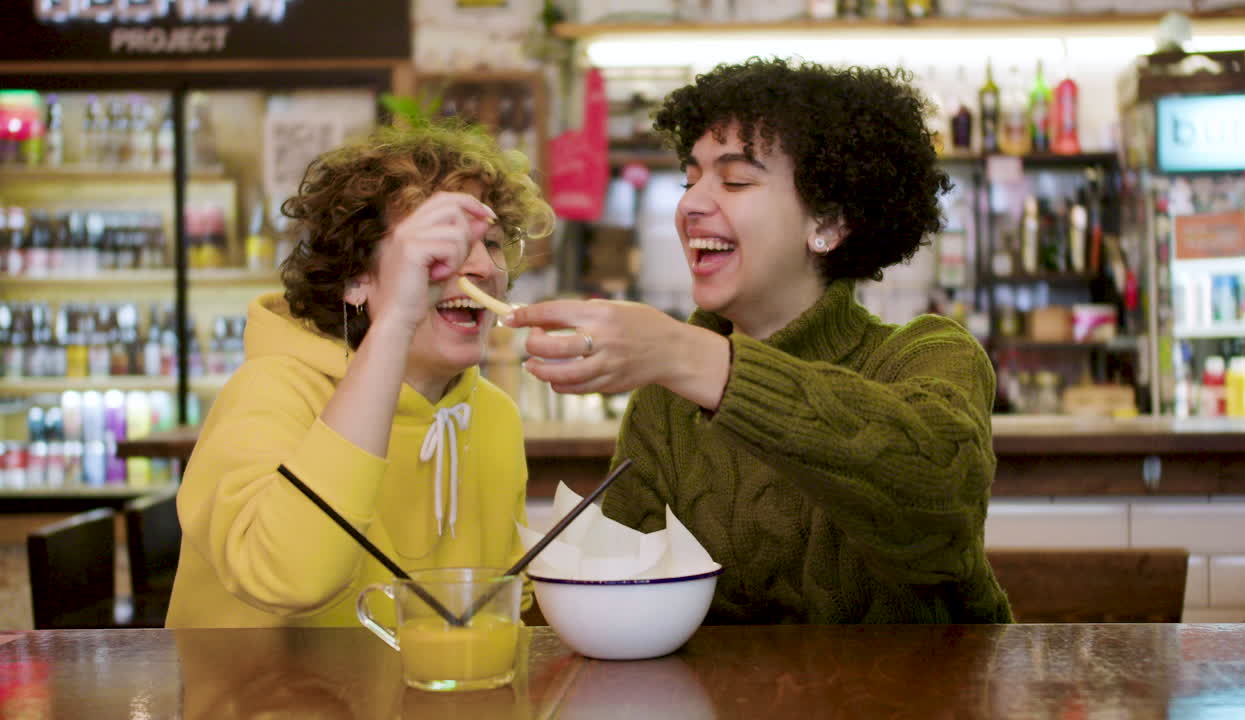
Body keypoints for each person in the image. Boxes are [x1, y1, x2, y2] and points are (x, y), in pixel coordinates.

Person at [507, 58, 1013, 624]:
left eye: (737, 179)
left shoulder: (927, 353)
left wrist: (688, 355)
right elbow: (623, 599)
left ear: (829, 222)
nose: (690, 204)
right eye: (690, 177)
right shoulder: (668, 404)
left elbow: (940, 498)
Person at [166, 122, 554, 628]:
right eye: (444, 243)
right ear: (355, 277)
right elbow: (289, 579)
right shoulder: (271, 391)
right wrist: (397, 320)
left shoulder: (492, 414)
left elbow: (504, 609)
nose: (482, 266)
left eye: (495, 243)